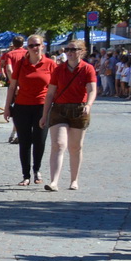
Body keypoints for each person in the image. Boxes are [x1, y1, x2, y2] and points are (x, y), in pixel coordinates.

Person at [43, 40, 96, 191]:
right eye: (68, 49)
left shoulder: (87, 68)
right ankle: (54, 182)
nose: (70, 52)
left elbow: (92, 90)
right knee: (58, 144)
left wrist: (88, 105)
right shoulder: (59, 70)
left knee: (75, 147)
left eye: (74, 49)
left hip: (79, 109)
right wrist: (44, 114)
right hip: (59, 109)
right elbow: (50, 93)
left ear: (82, 51)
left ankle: (74, 180)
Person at [4, 33, 51, 186]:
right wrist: (6, 107)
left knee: (40, 140)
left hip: (42, 107)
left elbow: (55, 87)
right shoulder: (21, 65)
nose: (34, 48)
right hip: (22, 106)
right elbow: (12, 86)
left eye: (37, 45)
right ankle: (26, 175)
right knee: (24, 142)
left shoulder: (50, 64)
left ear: (42, 46)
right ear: (27, 48)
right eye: (31, 45)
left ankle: (37, 170)